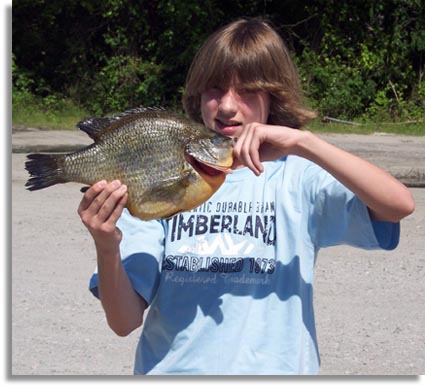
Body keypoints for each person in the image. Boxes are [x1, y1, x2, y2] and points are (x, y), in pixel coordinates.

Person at [79, 17, 415, 375]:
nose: (227, 106)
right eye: (215, 89)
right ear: (197, 94)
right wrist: (106, 245)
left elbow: (398, 205)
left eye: (247, 91)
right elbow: (124, 320)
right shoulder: (160, 175)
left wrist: (304, 143)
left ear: (275, 95)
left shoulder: (297, 178)